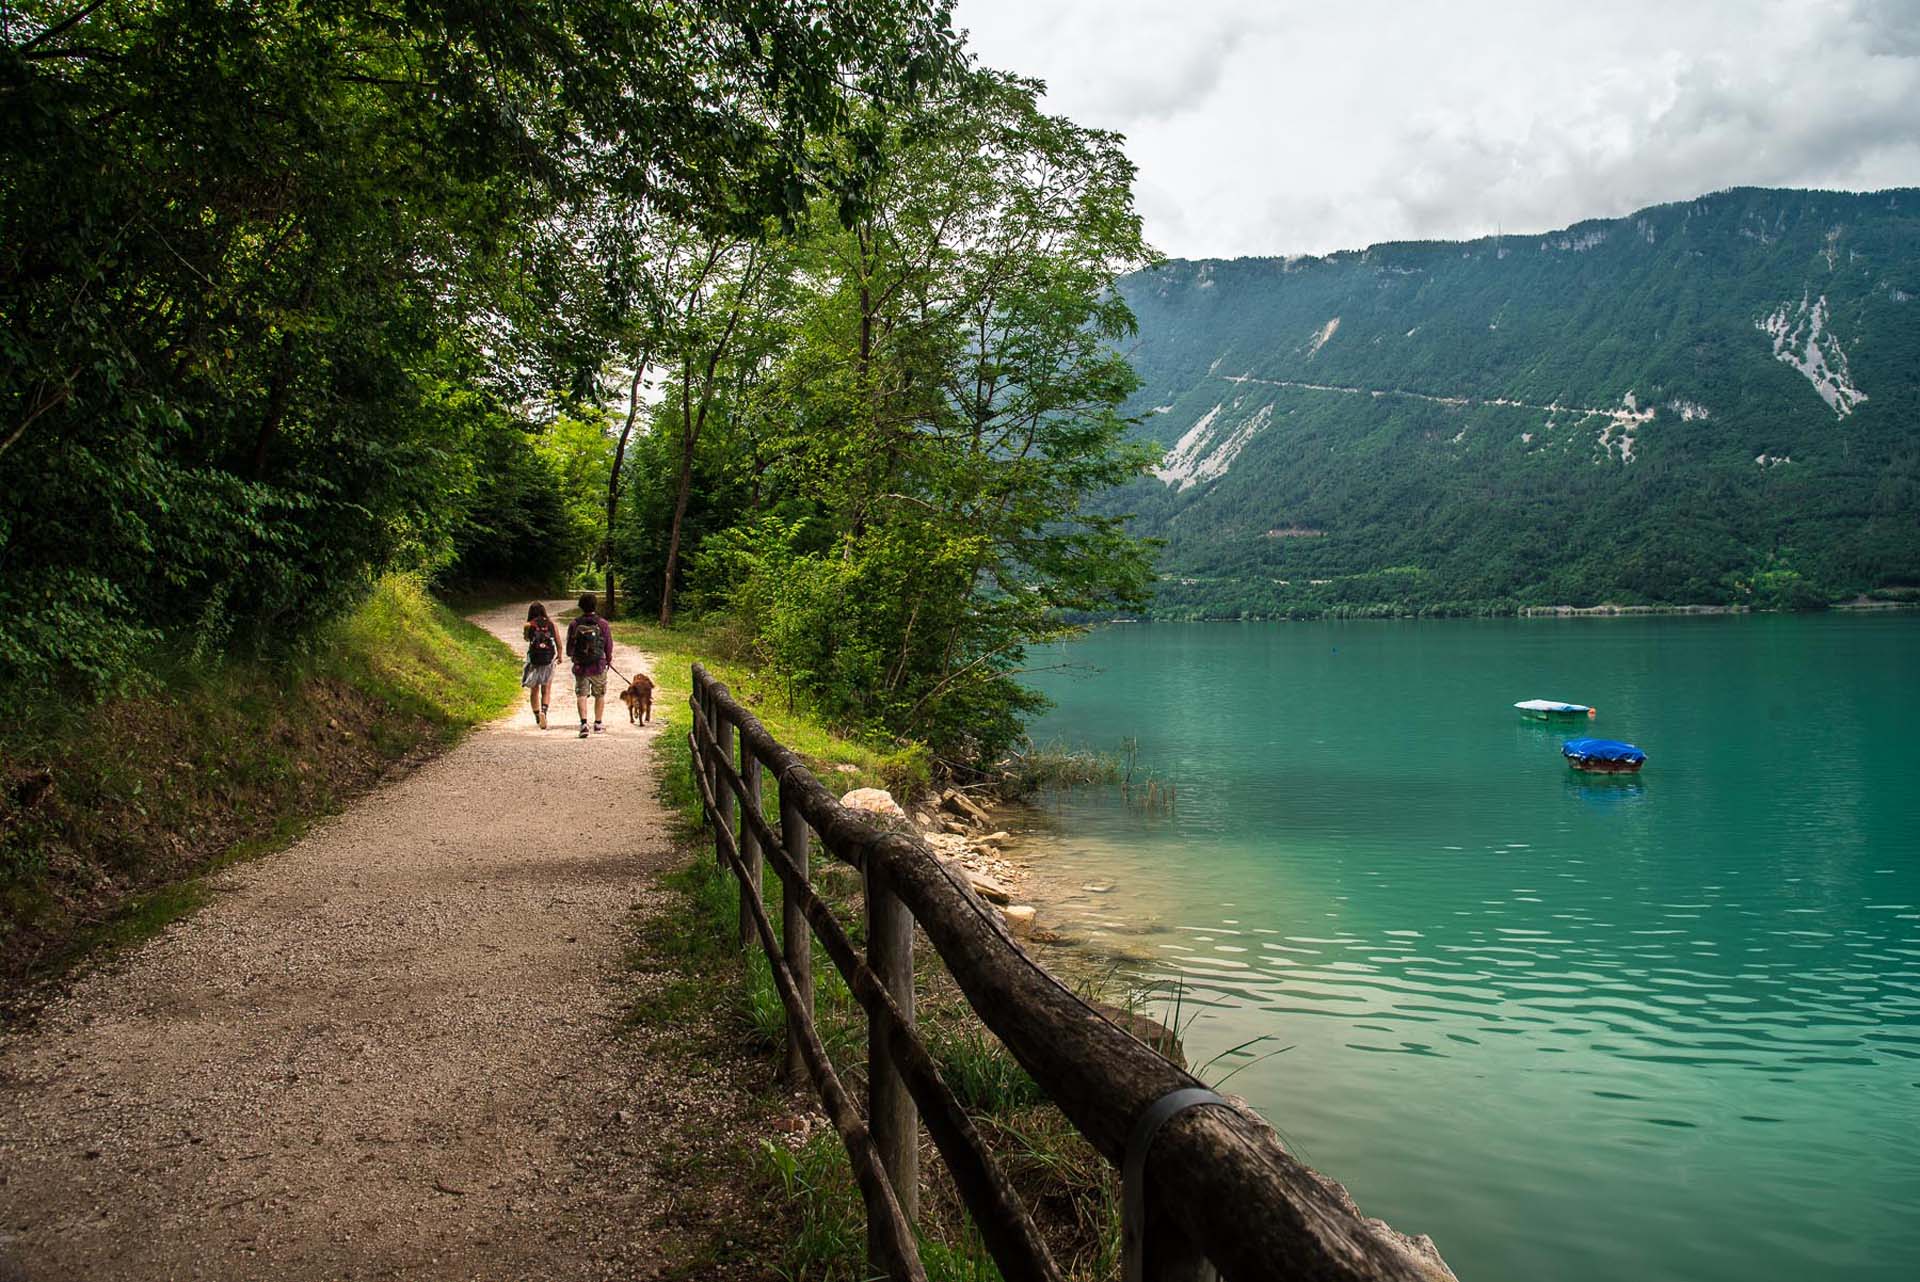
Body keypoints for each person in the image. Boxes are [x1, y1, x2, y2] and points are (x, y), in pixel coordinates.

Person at [566, 592, 615, 738]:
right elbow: (608, 644)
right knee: (599, 694)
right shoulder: (603, 624)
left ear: (581, 606)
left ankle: (584, 724)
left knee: (582, 694)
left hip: (581, 666)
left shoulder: (575, 624)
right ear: (595, 605)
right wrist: (608, 659)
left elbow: (570, 646)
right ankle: (598, 724)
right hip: (598, 664)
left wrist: (573, 656)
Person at [522, 603, 559, 728]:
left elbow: (527, 639)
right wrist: (559, 655)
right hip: (548, 659)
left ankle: (537, 715)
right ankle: (544, 711)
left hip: (534, 660)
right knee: (546, 689)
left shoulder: (529, 625)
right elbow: (558, 642)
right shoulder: (551, 624)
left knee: (534, 689)